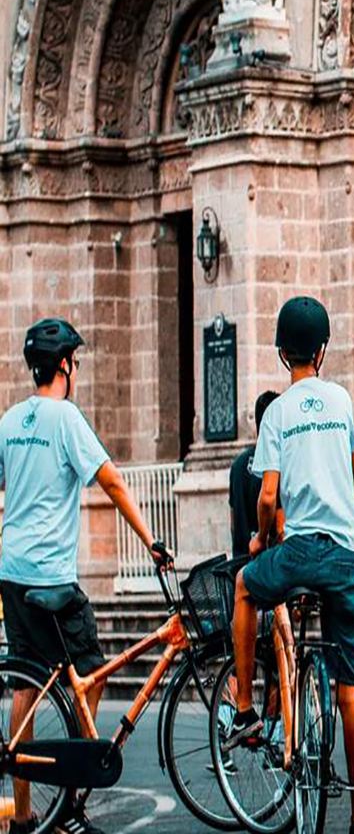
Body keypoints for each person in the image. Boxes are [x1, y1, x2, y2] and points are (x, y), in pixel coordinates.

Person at [0, 318, 163, 834]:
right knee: (90, 671)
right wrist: (151, 542)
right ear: (66, 365)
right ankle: (71, 799)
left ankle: (25, 814)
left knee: (25, 687)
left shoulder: (9, 421)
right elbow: (111, 481)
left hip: (11, 570)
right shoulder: (66, 418)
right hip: (51, 574)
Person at [224, 297, 354, 834]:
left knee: (245, 585)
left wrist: (264, 539)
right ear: (323, 349)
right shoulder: (342, 401)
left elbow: (268, 497)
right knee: (351, 693)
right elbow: (349, 466)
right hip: (342, 555)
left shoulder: (278, 412)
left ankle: (244, 706)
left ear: (281, 353)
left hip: (297, 551)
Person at [229, 391, 279, 557]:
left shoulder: (237, 465)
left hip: (240, 560)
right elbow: (280, 528)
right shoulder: (275, 466)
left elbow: (233, 521)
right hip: (267, 563)